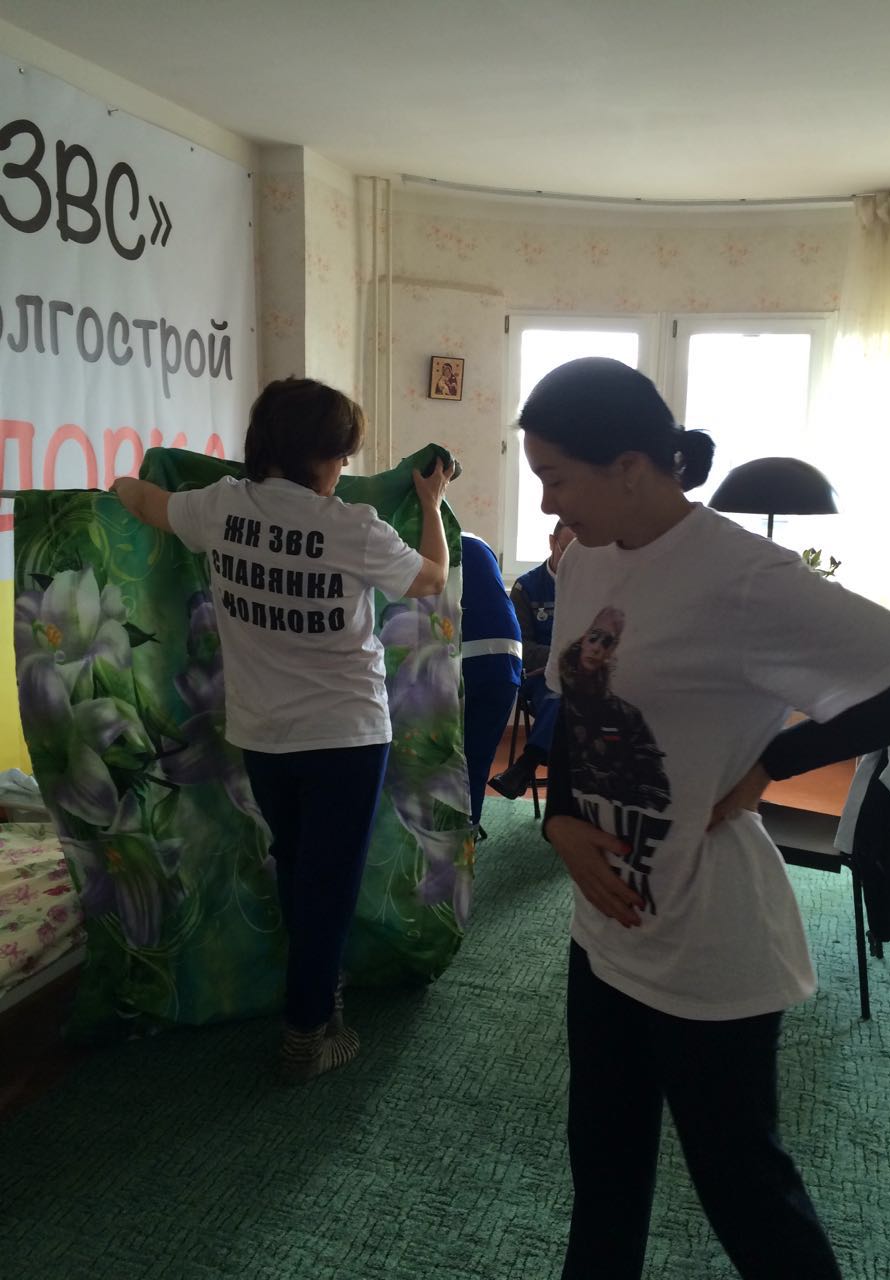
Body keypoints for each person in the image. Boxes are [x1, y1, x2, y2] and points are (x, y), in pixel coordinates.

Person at [519, 356, 890, 1280]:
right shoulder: (586, 557)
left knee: (743, 1190)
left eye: (557, 478)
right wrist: (559, 819)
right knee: (602, 1166)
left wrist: (772, 764)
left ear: (630, 467)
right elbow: (579, 710)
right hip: (605, 930)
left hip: (709, 938)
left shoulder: (745, 577)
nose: (548, 503)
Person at [114, 377, 454, 1084]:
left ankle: (320, 995)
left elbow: (144, 502)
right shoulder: (354, 526)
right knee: (328, 886)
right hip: (346, 737)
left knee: (300, 870)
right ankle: (306, 1033)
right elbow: (430, 580)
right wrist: (431, 505)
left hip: (262, 737)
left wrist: (116, 485)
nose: (344, 467)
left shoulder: (221, 507)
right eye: (340, 453)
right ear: (318, 456)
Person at [488, 520, 575, 798]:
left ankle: (527, 765)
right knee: (560, 696)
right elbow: (521, 647)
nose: (574, 559)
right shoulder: (526, 588)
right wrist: (565, 658)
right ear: (552, 542)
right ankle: (542, 767)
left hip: (582, 679)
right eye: (567, 549)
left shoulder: (595, 585)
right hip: (539, 678)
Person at [459, 533, 523, 830]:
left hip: (462, 663)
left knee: (440, 759)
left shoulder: (417, 542)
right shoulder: (476, 543)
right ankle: (467, 833)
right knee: (476, 760)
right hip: (506, 664)